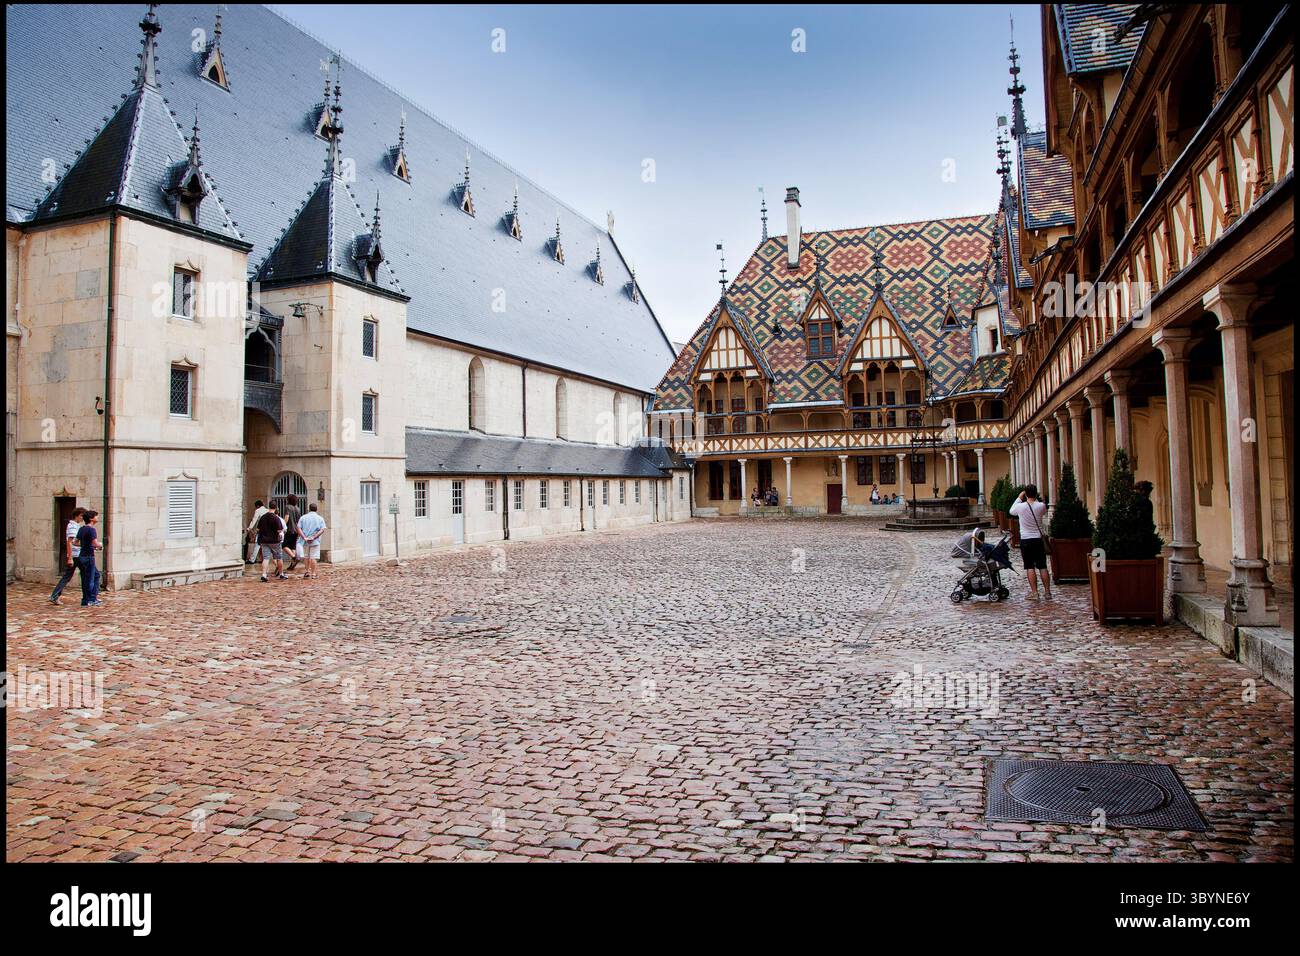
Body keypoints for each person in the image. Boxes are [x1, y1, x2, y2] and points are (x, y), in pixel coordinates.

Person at [1010, 484, 1051, 599]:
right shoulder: (1041, 506)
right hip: (1038, 539)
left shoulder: (1020, 507)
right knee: (1042, 566)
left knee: (1029, 566)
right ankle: (1047, 592)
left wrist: (1019, 497)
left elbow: (1011, 511)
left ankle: (1034, 592)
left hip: (1026, 540)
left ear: (1026, 494)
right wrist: (1034, 497)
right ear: (1036, 493)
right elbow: (1041, 508)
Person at [49, 507, 86, 605]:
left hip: (77, 554)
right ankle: (89, 597)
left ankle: (55, 595)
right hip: (75, 555)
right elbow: (70, 542)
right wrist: (70, 557)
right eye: (82, 516)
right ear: (77, 515)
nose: (82, 518)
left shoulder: (76, 525)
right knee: (89, 575)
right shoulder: (72, 526)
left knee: (68, 576)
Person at [75, 509, 103, 607]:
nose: (97, 517)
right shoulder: (91, 530)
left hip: (82, 556)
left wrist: (85, 545)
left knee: (92, 576)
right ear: (91, 519)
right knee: (91, 578)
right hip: (89, 556)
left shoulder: (82, 529)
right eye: (96, 516)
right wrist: (100, 545)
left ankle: (87, 599)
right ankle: (90, 599)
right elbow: (95, 543)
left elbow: (75, 542)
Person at [256, 501, 287, 582]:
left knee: (266, 558)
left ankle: (264, 574)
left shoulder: (263, 517)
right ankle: (281, 574)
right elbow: (279, 530)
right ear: (276, 508)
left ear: (269, 507)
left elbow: (258, 529)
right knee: (279, 558)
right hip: (275, 541)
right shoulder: (276, 518)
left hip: (264, 541)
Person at [295, 502, 327, 579]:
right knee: (313, 557)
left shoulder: (303, 517)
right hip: (315, 541)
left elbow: (298, 528)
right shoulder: (320, 518)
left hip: (304, 540)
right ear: (316, 509)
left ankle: (307, 571)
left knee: (306, 557)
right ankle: (313, 573)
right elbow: (322, 530)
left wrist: (304, 537)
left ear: (308, 509)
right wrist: (314, 537)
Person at [282, 494, 302, 572]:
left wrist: (283, 526)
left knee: (284, 545)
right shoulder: (298, 508)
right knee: (293, 546)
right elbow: (298, 521)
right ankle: (292, 564)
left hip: (289, 529)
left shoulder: (287, 507)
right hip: (296, 530)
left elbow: (287, 517)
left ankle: (294, 557)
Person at [246, 499, 267, 564]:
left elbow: (254, 520)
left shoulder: (258, 511)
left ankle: (252, 559)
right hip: (268, 530)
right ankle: (263, 559)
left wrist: (249, 528)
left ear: (257, 506)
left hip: (261, 530)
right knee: (264, 546)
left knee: (257, 545)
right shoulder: (267, 510)